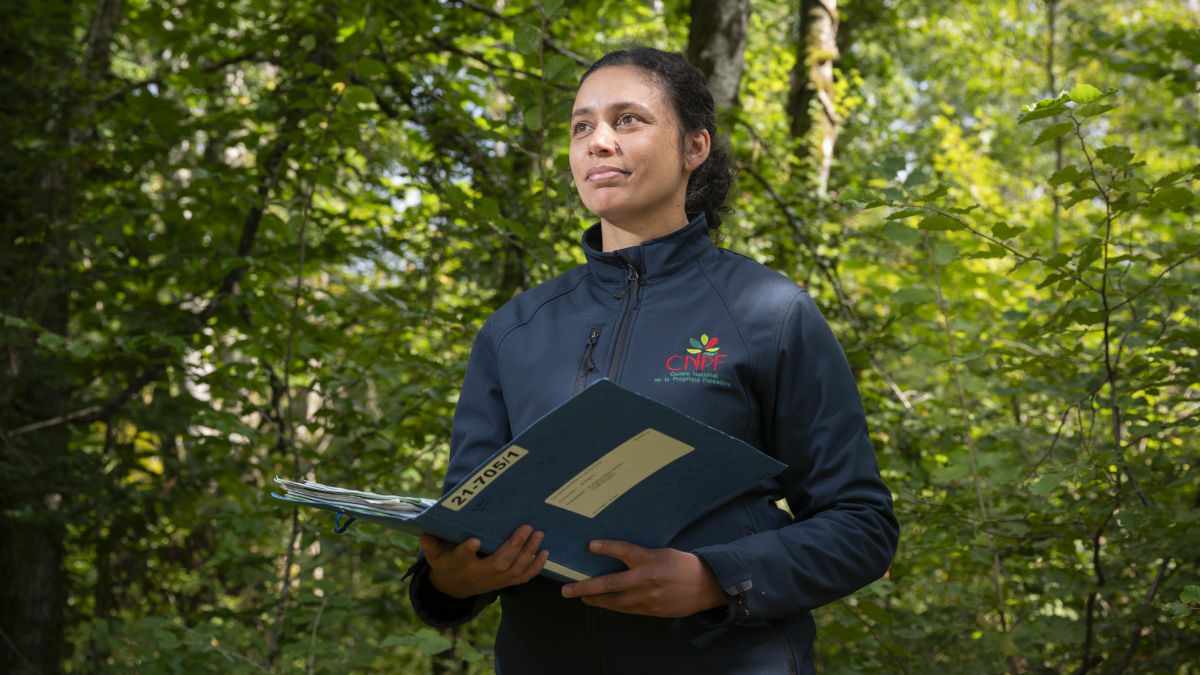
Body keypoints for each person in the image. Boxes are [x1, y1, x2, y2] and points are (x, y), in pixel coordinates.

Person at [406, 46, 899, 674]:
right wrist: (448, 582)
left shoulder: (769, 312)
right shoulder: (514, 331)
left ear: (694, 147)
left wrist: (717, 579)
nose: (598, 142)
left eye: (628, 120)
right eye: (582, 125)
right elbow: (466, 524)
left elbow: (861, 527)